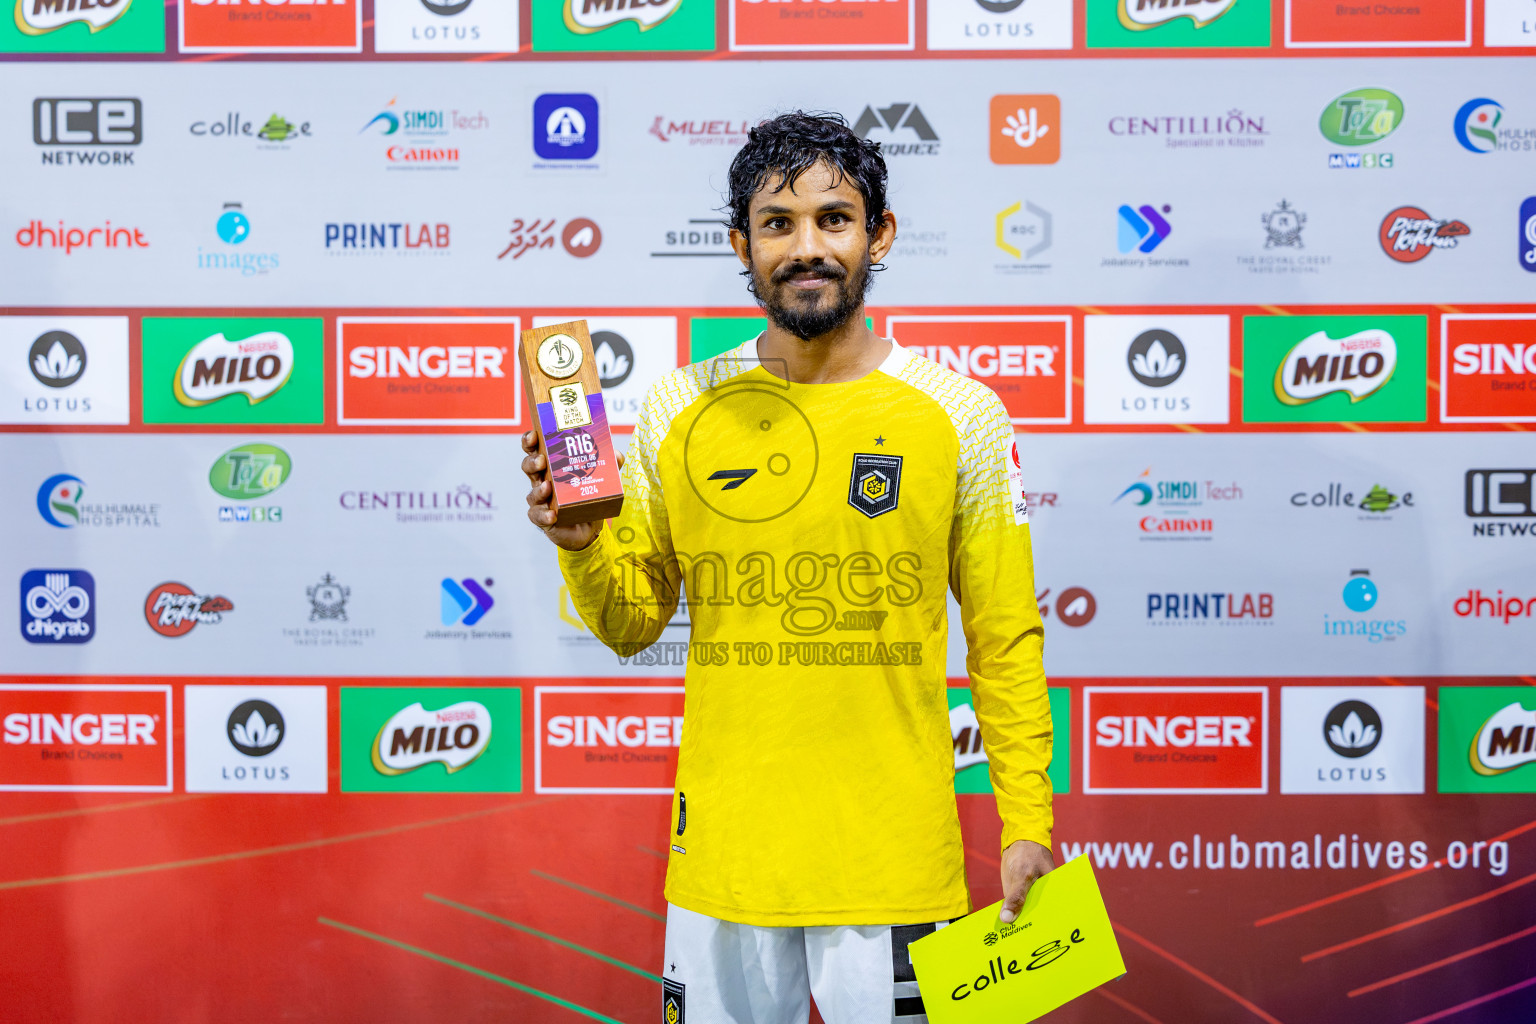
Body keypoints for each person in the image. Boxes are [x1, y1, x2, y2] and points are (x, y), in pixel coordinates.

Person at [521, 110, 1053, 1024]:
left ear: (878, 234)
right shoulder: (677, 405)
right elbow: (629, 622)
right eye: (778, 224)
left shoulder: (961, 413)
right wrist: (580, 547)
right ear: (742, 245)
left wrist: (1027, 823)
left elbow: (1004, 636)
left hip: (890, 867)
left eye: (833, 219)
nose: (807, 247)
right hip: (725, 866)